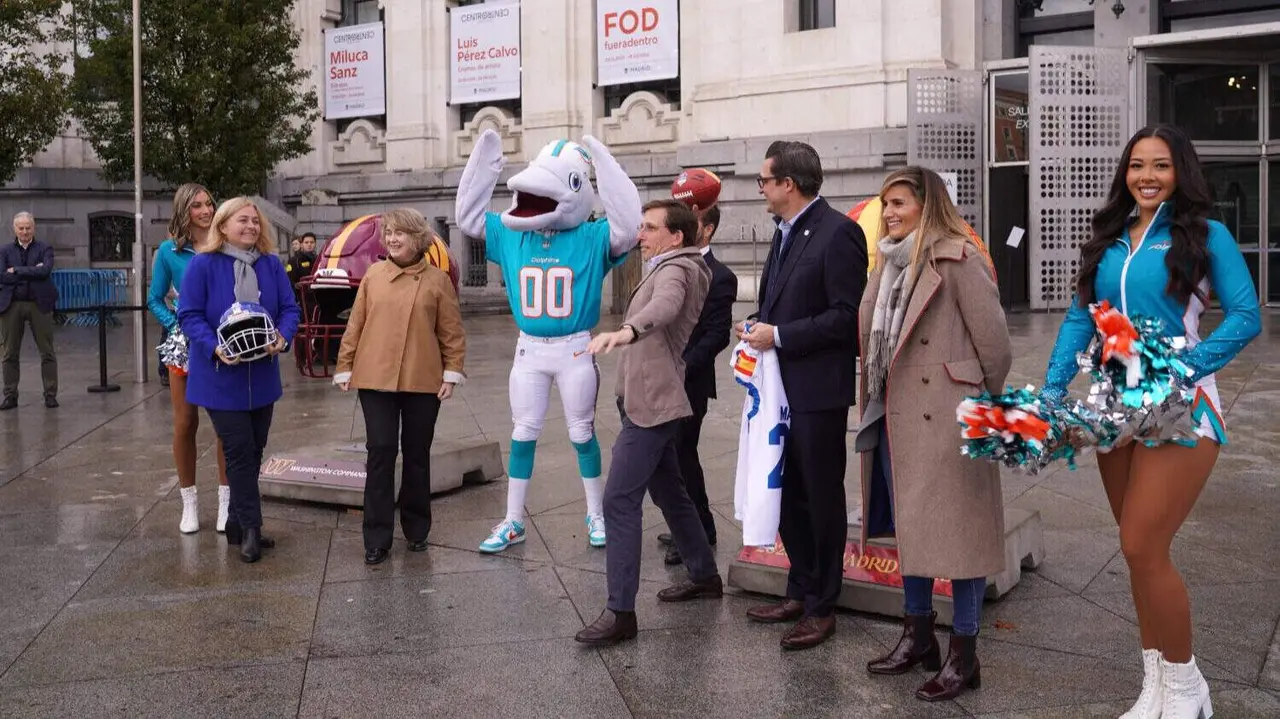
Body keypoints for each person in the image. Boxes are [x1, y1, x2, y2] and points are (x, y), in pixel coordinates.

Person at [1042, 124, 1261, 719]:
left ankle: (1189, 686)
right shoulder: (1109, 239)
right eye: (1137, 165)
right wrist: (1054, 392)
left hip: (1181, 406)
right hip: (1115, 405)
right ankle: (1157, 683)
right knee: (1137, 549)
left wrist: (1182, 367)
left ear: (1180, 171)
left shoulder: (1205, 236)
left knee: (1143, 543)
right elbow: (1078, 319)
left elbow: (1246, 317)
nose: (1146, 176)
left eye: (1160, 166)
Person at [853, 166, 1012, 702]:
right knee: (910, 529)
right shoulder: (888, 263)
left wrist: (972, 405)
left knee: (961, 536)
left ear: (928, 204)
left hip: (948, 417)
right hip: (894, 412)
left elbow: (995, 346)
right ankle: (917, 634)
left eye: (899, 203)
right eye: (885, 203)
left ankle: (963, 654)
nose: (890, 213)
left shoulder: (959, 257)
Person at [455, 130, 643, 554]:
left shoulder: (592, 235)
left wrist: (603, 162)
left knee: (581, 432)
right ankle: (513, 519)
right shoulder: (513, 231)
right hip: (530, 348)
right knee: (523, 432)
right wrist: (485, 162)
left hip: (575, 345)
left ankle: (595, 511)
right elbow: (467, 219)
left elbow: (629, 228)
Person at [734, 140, 867, 650]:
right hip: (776, 389)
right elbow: (780, 301)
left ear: (788, 184)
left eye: (765, 181)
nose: (762, 189)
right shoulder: (783, 232)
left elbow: (844, 317)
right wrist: (759, 326)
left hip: (817, 390)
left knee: (819, 494)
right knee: (786, 491)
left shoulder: (839, 233)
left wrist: (781, 335)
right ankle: (799, 585)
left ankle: (822, 605)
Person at [574, 199, 721, 645]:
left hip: (653, 406)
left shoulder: (678, 269)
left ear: (675, 236)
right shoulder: (669, 263)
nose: (641, 235)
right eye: (641, 227)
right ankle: (704, 576)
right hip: (645, 400)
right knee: (671, 493)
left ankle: (621, 612)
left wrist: (628, 331)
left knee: (618, 501)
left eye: (650, 228)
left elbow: (666, 307)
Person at [334, 208, 467, 566]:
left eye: (401, 233)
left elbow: (451, 333)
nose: (392, 239)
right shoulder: (373, 276)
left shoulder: (438, 281)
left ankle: (417, 528)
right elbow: (355, 326)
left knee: (417, 453)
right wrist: (344, 365)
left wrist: (452, 371)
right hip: (374, 377)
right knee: (380, 452)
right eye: (389, 232)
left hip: (423, 379)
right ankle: (376, 536)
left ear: (418, 238)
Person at [178, 197, 300, 563]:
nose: (251, 226)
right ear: (223, 225)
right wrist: (214, 346)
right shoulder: (203, 265)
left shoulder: (272, 266)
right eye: (242, 220)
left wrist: (283, 336)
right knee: (239, 451)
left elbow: (291, 309)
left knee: (255, 447)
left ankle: (234, 521)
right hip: (219, 377)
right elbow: (189, 315)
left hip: (262, 375)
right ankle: (251, 528)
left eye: (255, 221)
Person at [656, 203, 738, 566]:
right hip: (661, 376)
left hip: (690, 381)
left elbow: (718, 335)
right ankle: (689, 525)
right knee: (671, 457)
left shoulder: (720, 275)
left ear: (707, 230)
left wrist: (682, 366)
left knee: (682, 456)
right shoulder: (668, 265)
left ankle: (698, 530)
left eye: (695, 222)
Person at [147, 183, 230, 534]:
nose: (206, 210)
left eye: (209, 203)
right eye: (197, 205)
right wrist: (176, 324)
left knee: (226, 424)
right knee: (185, 423)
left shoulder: (225, 245)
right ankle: (189, 503)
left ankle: (227, 504)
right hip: (184, 345)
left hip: (223, 342)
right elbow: (154, 299)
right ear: (184, 211)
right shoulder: (168, 251)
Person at [0, 212, 59, 410]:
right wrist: (32, 271)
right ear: (14, 229)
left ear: (34, 228)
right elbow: (2, 276)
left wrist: (16, 270)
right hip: (12, 304)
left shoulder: (45, 248)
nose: (25, 231)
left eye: (28, 227)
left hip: (39, 304)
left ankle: (50, 394)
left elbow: (45, 271)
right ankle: (10, 395)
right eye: (21, 228)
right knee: (9, 353)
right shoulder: (5, 251)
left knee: (47, 351)